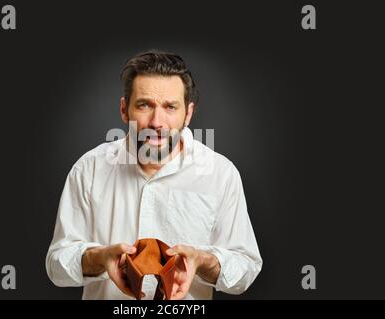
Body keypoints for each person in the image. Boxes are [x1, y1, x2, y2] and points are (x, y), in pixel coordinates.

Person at [45, 50, 262, 299]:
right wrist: (100, 258)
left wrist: (202, 261)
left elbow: (246, 267)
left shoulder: (221, 174)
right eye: (144, 105)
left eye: (170, 107)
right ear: (124, 109)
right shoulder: (89, 169)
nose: (157, 122)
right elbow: (56, 265)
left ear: (188, 114)